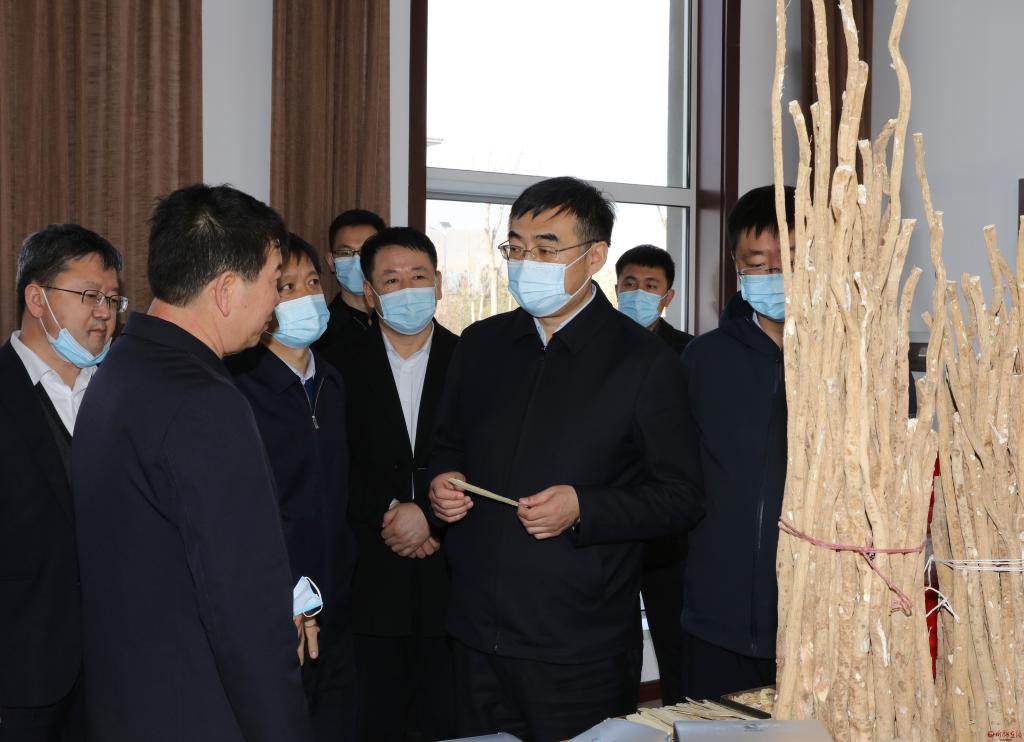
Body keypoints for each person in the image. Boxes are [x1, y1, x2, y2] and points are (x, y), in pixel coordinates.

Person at [428, 176, 703, 741]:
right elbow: (447, 442)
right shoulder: (480, 344)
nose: (526, 262)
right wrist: (442, 480)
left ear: (594, 256)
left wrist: (585, 508)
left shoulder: (644, 362)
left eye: (546, 248)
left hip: (579, 646)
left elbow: (682, 497)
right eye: (516, 247)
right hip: (475, 633)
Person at [72, 184, 314, 742]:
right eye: (273, 282)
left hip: (131, 699)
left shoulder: (119, 367)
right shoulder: (204, 402)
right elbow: (243, 606)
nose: (277, 303)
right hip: (198, 709)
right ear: (226, 290)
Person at [226, 232, 357, 741]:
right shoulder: (236, 386)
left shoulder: (333, 382)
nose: (305, 297)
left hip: (338, 596)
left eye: (312, 283)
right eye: (287, 287)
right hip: (276, 604)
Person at [0, 224, 124, 742]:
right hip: (21, 673)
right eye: (90, 295)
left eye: (113, 299)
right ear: (37, 299)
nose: (104, 312)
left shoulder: (127, 394)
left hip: (117, 671)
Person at [336, 227, 458, 742]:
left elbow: (490, 456)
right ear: (369, 292)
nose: (407, 289)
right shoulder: (335, 363)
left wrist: (428, 515)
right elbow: (331, 463)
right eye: (391, 280)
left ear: (438, 284)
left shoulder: (474, 361)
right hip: (369, 578)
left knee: (451, 723)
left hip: (453, 580)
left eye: (418, 277)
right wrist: (390, 509)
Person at [678, 184, 795, 701]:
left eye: (790, 262)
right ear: (736, 265)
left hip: (819, 614)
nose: (776, 277)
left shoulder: (858, 361)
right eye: (759, 264)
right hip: (716, 615)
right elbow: (675, 478)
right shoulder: (704, 360)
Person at [613, 244, 693, 705]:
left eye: (650, 286)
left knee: (673, 639)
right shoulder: (596, 346)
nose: (638, 293)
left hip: (666, 527)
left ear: (667, 297)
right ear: (615, 287)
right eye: (630, 284)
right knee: (613, 645)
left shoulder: (689, 353)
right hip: (606, 518)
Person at [315, 208, 386, 363]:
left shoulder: (400, 320)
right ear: (331, 262)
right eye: (345, 253)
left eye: (366, 251)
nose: (357, 261)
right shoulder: (320, 333)